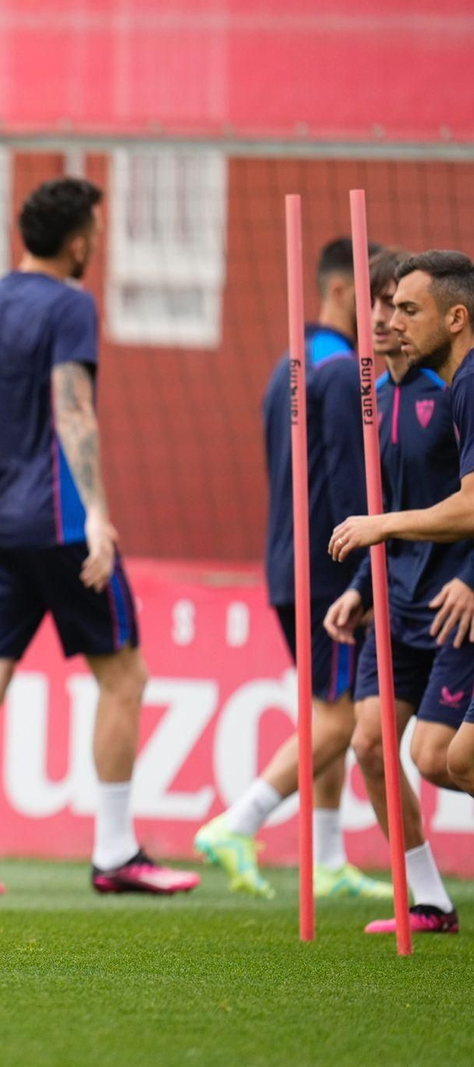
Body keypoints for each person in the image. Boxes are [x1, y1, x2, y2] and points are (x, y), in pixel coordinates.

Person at [0, 176, 199, 896]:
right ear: (80, 240)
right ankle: (115, 851)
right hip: (55, 517)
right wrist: (97, 516)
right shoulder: (70, 305)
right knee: (124, 676)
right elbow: (73, 409)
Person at [195, 237, 390, 900]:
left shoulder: (288, 365)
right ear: (342, 292)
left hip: (288, 559)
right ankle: (238, 821)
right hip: (331, 567)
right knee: (339, 719)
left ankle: (330, 856)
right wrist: (365, 570)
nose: (389, 319)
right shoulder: (342, 372)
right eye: (383, 303)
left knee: (324, 705)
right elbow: (345, 484)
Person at [330, 250, 474, 929]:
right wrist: (362, 583)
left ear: (453, 315)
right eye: (384, 305)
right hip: (398, 593)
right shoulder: (384, 394)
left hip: (452, 597)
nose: (390, 319)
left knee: (440, 757)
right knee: (379, 745)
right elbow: (393, 504)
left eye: (404, 306)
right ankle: (430, 898)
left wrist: (470, 577)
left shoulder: (455, 389)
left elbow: (468, 506)